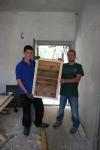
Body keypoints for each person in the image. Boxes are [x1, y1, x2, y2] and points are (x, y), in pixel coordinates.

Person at [15, 45, 49, 136]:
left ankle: (38, 123)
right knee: (26, 112)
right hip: (24, 93)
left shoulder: (34, 63)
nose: (29, 54)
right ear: (24, 53)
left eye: (31, 53)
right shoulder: (19, 66)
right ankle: (26, 126)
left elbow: (45, 70)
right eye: (27, 52)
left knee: (40, 109)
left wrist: (58, 62)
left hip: (36, 92)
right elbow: (19, 81)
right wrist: (27, 92)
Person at [53, 49, 84, 134]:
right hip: (63, 92)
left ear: (75, 56)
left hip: (73, 93)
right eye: (69, 55)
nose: (70, 56)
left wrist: (65, 81)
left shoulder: (78, 66)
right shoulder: (63, 66)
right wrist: (57, 62)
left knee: (74, 111)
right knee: (60, 110)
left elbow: (77, 79)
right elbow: (55, 72)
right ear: (67, 56)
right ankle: (59, 121)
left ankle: (75, 125)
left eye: (72, 55)